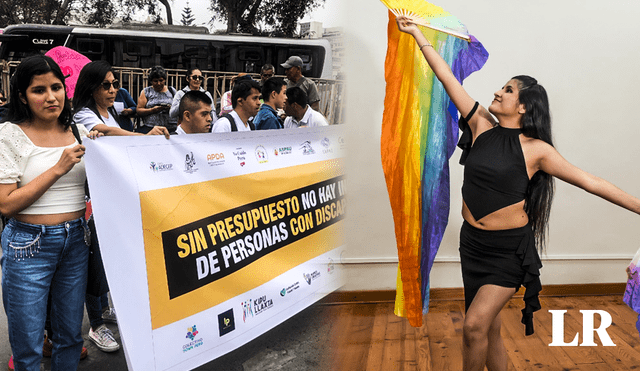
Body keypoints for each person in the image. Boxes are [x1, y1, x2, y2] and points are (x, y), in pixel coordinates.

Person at [395, 17, 640, 371]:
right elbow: (447, 78)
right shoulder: (480, 124)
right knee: (489, 329)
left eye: (508, 90)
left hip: (508, 251)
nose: (498, 91)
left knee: (474, 326)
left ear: (523, 107)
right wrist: (418, 35)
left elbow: (592, 182)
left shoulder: (537, 150)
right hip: (473, 245)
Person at [0, 54, 98, 371]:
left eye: (56, 87)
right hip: (27, 246)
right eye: (38, 90)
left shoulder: (78, 131)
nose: (51, 96)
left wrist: (149, 142)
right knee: (27, 345)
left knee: (70, 336)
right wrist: (59, 168)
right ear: (22, 97)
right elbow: (6, 204)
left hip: (75, 242)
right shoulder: (9, 134)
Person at [73, 61, 170, 138]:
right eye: (106, 85)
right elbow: (108, 131)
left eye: (114, 84)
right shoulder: (82, 114)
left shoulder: (110, 111)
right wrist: (145, 137)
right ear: (91, 88)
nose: (113, 90)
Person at [136, 66, 178, 133]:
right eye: (155, 81)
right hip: (150, 128)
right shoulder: (146, 91)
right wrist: (152, 110)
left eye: (161, 80)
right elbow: (139, 110)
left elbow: (178, 108)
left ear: (165, 80)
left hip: (171, 127)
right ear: (151, 81)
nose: (159, 83)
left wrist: (170, 109)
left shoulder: (172, 91)